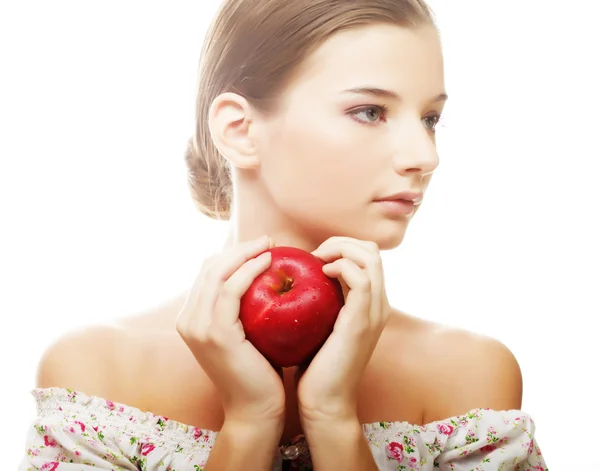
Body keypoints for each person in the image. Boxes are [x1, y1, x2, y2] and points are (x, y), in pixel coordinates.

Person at [19, 0, 549, 470]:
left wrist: (334, 419)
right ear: (239, 130)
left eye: (431, 118)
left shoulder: (470, 379)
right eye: (370, 111)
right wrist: (251, 422)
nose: (425, 156)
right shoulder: (96, 374)